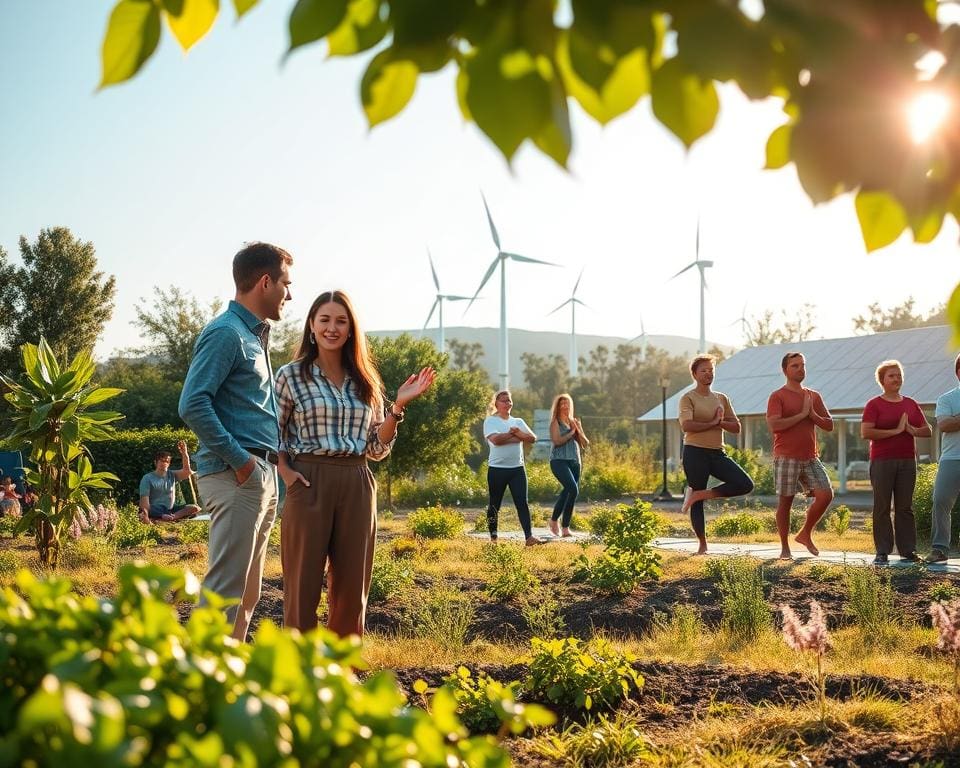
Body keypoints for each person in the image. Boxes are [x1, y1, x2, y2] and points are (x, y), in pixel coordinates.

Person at [276, 290, 435, 635]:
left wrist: (397, 408)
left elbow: (377, 448)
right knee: (301, 586)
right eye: (325, 320)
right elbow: (274, 432)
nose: (332, 328)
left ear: (351, 329)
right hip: (308, 479)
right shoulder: (290, 376)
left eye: (341, 321)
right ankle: (300, 673)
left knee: (352, 589)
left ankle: (341, 673)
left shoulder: (366, 381)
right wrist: (286, 471)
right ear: (312, 326)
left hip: (357, 481)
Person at [178, 241, 293, 641]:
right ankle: (198, 690)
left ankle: (228, 682)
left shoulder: (253, 335)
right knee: (224, 594)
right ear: (265, 282)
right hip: (236, 475)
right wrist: (243, 463)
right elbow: (192, 403)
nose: (289, 294)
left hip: (258, 475)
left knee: (247, 594)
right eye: (285, 283)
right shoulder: (226, 333)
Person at [678, 354, 754, 554]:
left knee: (745, 484)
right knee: (697, 502)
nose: (708, 374)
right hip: (694, 452)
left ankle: (699, 495)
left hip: (717, 453)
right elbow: (687, 426)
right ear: (694, 374)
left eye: (711, 370)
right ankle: (702, 545)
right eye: (704, 370)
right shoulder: (688, 398)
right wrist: (713, 423)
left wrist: (720, 422)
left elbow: (736, 427)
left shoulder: (721, 398)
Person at [765, 352, 834, 559]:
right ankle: (785, 548)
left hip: (811, 457)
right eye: (795, 366)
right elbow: (775, 425)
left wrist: (811, 414)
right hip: (786, 456)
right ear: (785, 370)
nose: (800, 369)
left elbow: (829, 425)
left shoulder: (813, 396)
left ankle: (805, 533)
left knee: (826, 494)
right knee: (785, 502)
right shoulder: (777, 396)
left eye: (803, 365)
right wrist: (801, 415)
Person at [861, 360, 930, 565]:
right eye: (891, 375)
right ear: (882, 380)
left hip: (907, 461)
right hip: (882, 461)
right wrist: (895, 431)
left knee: (905, 507)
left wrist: (912, 430)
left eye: (898, 375)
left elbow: (928, 430)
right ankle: (882, 551)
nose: (896, 378)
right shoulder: (874, 404)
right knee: (882, 506)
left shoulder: (910, 404)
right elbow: (866, 432)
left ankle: (908, 551)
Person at [483, 390, 542, 546]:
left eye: (509, 400)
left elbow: (532, 438)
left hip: (517, 469)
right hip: (497, 469)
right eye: (503, 401)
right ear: (496, 404)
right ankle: (493, 539)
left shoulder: (518, 421)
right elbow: (496, 440)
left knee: (522, 503)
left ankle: (529, 538)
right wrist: (515, 435)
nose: (507, 403)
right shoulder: (490, 421)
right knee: (494, 504)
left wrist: (514, 434)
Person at [927, 353, 960, 564]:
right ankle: (940, 549)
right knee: (940, 501)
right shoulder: (947, 398)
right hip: (951, 458)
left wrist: (956, 418)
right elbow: (945, 425)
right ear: (959, 373)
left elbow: (952, 422)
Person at [548, 393, 589, 537]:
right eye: (562, 403)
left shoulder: (574, 421)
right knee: (573, 489)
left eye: (567, 403)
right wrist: (572, 432)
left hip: (575, 461)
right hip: (559, 461)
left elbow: (584, 443)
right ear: (558, 406)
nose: (565, 406)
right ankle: (554, 520)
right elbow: (557, 441)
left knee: (569, 492)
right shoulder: (555, 422)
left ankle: (565, 528)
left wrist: (578, 429)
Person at [138, 440, 201, 523]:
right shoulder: (147, 478)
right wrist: (146, 515)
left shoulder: (172, 474)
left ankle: (171, 518)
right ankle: (161, 518)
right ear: (155, 462)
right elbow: (144, 502)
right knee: (146, 510)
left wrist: (184, 453)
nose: (164, 463)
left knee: (195, 508)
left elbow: (187, 472)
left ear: (169, 463)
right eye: (161, 460)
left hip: (171, 509)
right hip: (155, 510)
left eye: (166, 461)